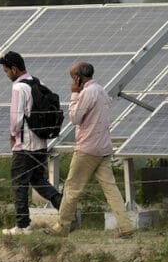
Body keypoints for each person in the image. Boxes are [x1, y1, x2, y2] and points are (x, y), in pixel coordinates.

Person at [54, 60, 135, 238]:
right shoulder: (101, 91)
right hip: (103, 148)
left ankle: (62, 226)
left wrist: (74, 94)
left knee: (72, 188)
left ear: (78, 78)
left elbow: (75, 118)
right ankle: (125, 226)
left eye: (73, 78)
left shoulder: (87, 93)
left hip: (87, 148)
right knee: (110, 188)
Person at [0, 51, 61, 235]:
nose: (6, 74)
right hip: (41, 142)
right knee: (38, 180)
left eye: (6, 71)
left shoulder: (19, 88)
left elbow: (16, 117)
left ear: (14, 69)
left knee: (19, 183)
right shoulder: (39, 83)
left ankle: (22, 225)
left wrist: (12, 135)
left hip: (24, 145)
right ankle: (66, 209)